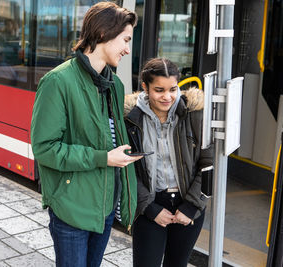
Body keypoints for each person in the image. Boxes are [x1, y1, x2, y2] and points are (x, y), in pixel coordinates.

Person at [30, 2, 141, 267]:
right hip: (72, 209)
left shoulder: (114, 84)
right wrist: (103, 158)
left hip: (104, 208)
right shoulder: (58, 82)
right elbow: (45, 148)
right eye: (125, 40)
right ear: (103, 34)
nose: (128, 49)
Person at [124, 58, 214, 267]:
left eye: (173, 89)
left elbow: (209, 164)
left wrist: (192, 206)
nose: (167, 97)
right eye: (159, 90)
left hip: (188, 205)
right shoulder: (130, 120)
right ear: (145, 87)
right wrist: (149, 208)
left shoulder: (194, 116)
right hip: (150, 206)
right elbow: (127, 168)